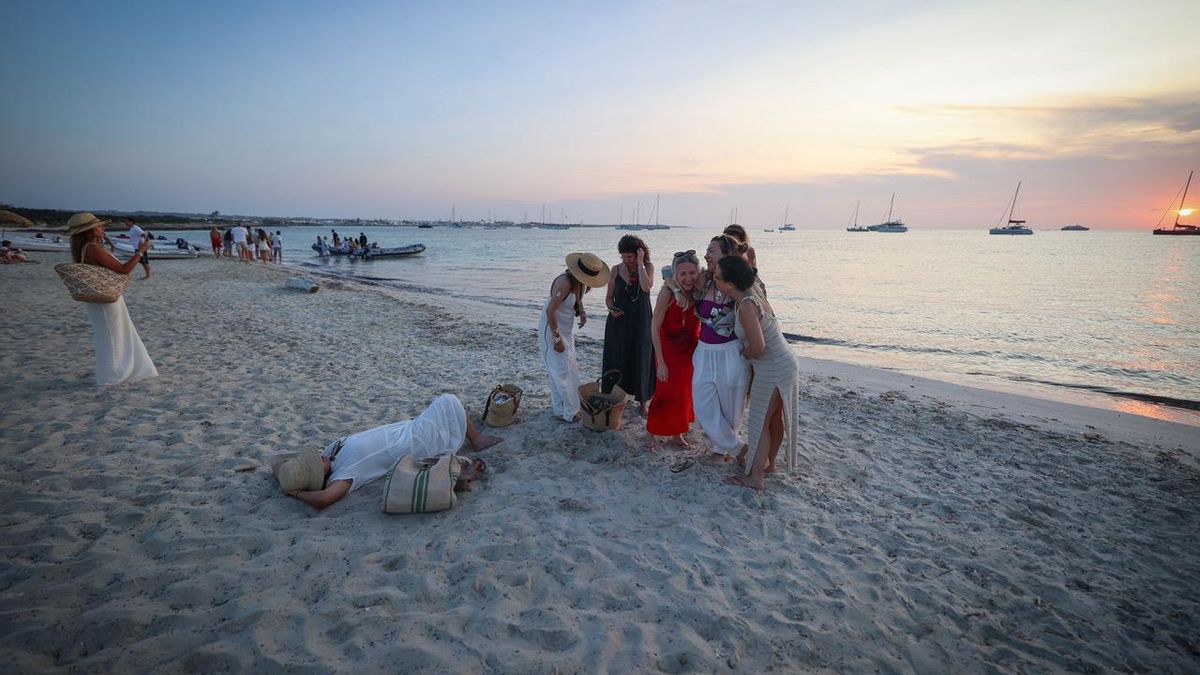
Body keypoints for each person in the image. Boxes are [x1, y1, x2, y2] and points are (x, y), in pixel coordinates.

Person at [273, 394, 503, 509]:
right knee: (448, 400)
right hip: (414, 441)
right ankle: (477, 439)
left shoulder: (330, 454)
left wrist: (290, 477)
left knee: (450, 407)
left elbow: (275, 462)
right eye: (315, 465)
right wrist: (295, 493)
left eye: (312, 459)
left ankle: (469, 430)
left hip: (407, 427)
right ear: (319, 478)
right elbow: (324, 499)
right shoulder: (343, 474)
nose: (319, 457)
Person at [715, 255, 799, 490]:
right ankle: (769, 465)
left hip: (773, 367)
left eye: (718, 278)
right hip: (785, 362)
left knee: (759, 422)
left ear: (730, 284)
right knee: (773, 418)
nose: (715, 281)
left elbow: (758, 347)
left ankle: (755, 478)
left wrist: (742, 353)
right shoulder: (752, 290)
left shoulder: (746, 305)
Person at [65, 212, 158, 385]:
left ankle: (120, 371)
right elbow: (123, 269)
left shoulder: (85, 247)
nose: (103, 228)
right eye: (99, 226)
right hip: (105, 299)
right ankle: (114, 375)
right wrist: (140, 251)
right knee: (113, 335)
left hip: (98, 298)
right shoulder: (92, 248)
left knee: (111, 334)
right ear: (89, 230)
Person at [691, 235, 751, 461]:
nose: (706, 255)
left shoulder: (742, 284)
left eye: (711, 251)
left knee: (731, 405)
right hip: (704, 350)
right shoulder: (705, 281)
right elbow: (676, 280)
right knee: (702, 402)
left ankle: (720, 449)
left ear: (727, 254)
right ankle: (738, 449)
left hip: (731, 351)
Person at [540, 252, 610, 422]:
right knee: (560, 370)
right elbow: (551, 311)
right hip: (551, 328)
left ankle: (560, 409)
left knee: (569, 367)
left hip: (566, 328)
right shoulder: (564, 283)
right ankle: (570, 412)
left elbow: (578, 298)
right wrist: (556, 338)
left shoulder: (583, 282)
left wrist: (582, 312)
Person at [646, 250, 701, 451]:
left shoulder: (699, 290)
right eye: (683, 274)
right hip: (668, 349)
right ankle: (650, 435)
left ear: (699, 272)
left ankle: (677, 434)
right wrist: (660, 361)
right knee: (664, 392)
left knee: (684, 393)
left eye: (692, 273)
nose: (688, 278)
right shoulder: (667, 293)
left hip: (689, 350)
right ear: (675, 276)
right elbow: (654, 326)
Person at [602, 235, 656, 413]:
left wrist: (640, 263)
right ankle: (615, 398)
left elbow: (646, 287)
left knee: (642, 356)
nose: (626, 260)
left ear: (640, 253)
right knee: (618, 357)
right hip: (619, 321)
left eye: (630, 256)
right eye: (623, 256)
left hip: (641, 320)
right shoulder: (616, 270)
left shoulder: (647, 267)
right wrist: (611, 308)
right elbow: (609, 298)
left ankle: (643, 401)